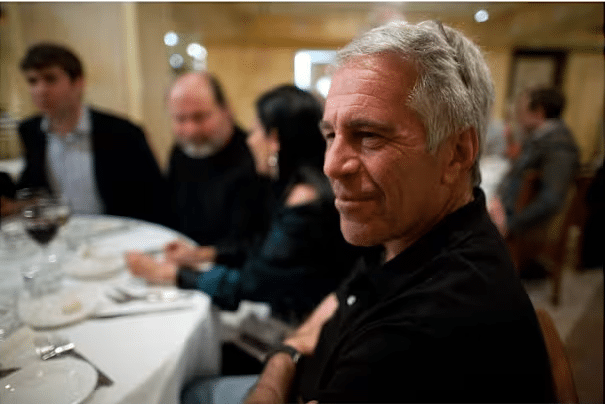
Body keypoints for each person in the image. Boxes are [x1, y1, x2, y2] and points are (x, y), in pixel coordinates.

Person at [239, 20, 555, 403]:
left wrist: (280, 361)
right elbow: (341, 298)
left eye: (368, 135)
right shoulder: (406, 230)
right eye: (331, 135)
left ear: (457, 153)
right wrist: (291, 351)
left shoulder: (428, 327)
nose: (331, 165)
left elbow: (318, 331)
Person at [127, 84, 365, 323]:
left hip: (308, 322)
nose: (250, 141)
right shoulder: (300, 183)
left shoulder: (305, 198)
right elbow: (266, 250)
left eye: (254, 131)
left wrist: (170, 274)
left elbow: (256, 281)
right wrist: (202, 254)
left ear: (274, 139)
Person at [14, 43, 164, 222]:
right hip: (60, 229)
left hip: (117, 230)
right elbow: (31, 187)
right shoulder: (30, 131)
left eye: (50, 79)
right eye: (32, 81)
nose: (40, 90)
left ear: (78, 83)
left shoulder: (123, 132)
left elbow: (155, 197)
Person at [159, 72, 268, 249]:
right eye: (180, 119)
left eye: (200, 117)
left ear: (226, 110)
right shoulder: (180, 151)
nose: (190, 131)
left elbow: (250, 242)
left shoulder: (254, 159)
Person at [490, 86, 579, 239]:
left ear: (538, 112)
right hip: (501, 214)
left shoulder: (559, 146)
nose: (517, 115)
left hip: (514, 230)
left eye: (521, 110)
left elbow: (551, 200)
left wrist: (510, 226)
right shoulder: (542, 138)